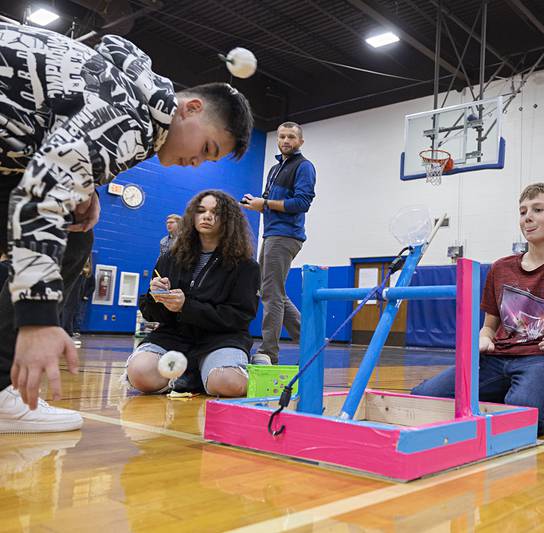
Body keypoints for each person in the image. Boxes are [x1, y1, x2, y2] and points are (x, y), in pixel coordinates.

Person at [0, 22, 253, 433]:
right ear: (189, 109)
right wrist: (37, 318)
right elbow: (40, 196)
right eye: (206, 149)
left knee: (72, 233)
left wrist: (86, 186)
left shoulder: (127, 90)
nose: (198, 164)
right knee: (65, 236)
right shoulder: (132, 118)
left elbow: (54, 137)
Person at [411, 183, 544, 436]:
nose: (528, 217)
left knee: (525, 416)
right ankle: (509, 394)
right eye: (523, 211)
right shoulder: (500, 268)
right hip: (495, 360)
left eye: (538, 209)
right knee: (424, 398)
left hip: (543, 361)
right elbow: (489, 325)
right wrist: (484, 338)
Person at [125, 190, 259, 397]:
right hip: (174, 337)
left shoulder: (246, 266)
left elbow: (239, 317)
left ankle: (225, 368)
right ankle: (191, 375)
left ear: (229, 220)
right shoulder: (169, 258)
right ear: (192, 216)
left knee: (228, 383)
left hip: (221, 339)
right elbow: (153, 316)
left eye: (216, 212)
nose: (207, 216)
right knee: (140, 373)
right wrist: (156, 297)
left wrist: (186, 307)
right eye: (201, 210)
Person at [241, 122, 316, 365]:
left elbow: (301, 203)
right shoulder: (274, 169)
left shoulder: (304, 167)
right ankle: (310, 341)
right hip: (272, 233)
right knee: (273, 292)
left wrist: (264, 204)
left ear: (300, 142)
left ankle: (269, 352)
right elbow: (269, 201)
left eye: (291, 137)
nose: (286, 140)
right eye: (282, 136)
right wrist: (257, 202)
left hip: (286, 235)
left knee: (271, 294)